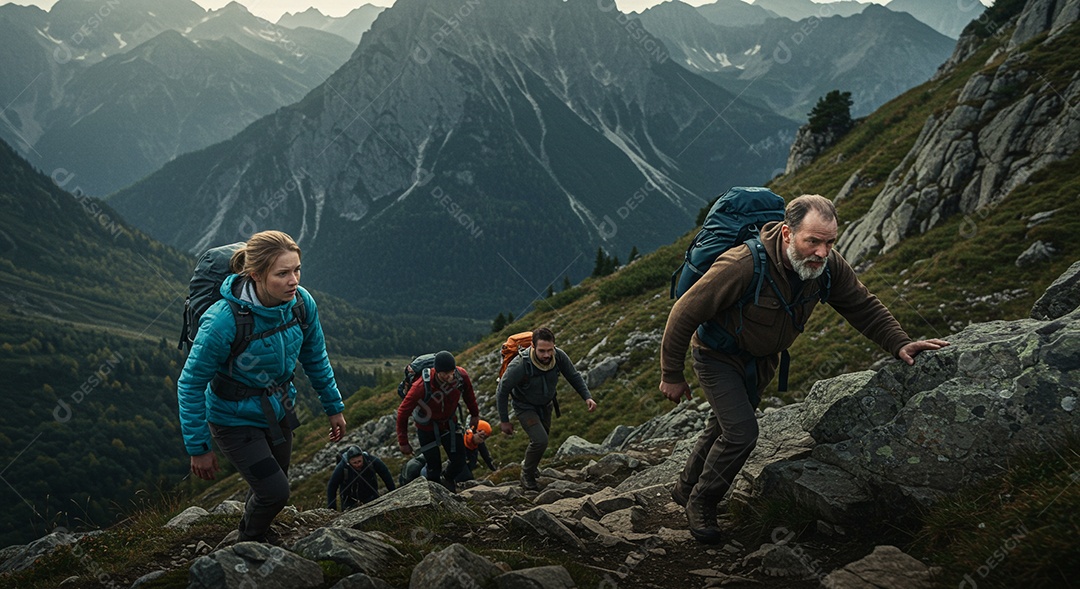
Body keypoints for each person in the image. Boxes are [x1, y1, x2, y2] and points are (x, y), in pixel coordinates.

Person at [659, 194, 949, 544]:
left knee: (724, 424)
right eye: (813, 241)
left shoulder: (827, 265)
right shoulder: (743, 264)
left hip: (763, 360)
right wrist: (671, 375)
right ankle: (703, 502)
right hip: (717, 355)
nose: (822, 252)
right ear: (787, 233)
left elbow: (861, 305)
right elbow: (684, 313)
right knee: (742, 433)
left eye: (830, 242)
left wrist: (899, 343)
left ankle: (685, 488)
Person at [178, 230, 347, 543]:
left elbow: (315, 357)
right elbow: (190, 384)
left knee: (271, 486)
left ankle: (256, 532)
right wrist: (199, 448)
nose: (293, 281)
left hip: (279, 408)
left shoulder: (300, 304)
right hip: (233, 419)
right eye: (282, 274)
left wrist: (334, 407)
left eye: (297, 270)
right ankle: (249, 542)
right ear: (255, 274)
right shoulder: (223, 321)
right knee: (275, 492)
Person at [497, 327, 598, 491]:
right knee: (540, 440)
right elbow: (502, 390)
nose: (546, 355)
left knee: (541, 441)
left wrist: (587, 397)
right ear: (533, 346)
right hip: (525, 407)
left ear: (554, 346)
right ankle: (527, 474)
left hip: (546, 405)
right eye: (542, 351)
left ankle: (530, 465)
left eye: (550, 350)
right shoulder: (520, 365)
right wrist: (504, 420)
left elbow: (573, 376)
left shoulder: (559, 356)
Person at [396, 350, 480, 492]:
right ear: (437, 371)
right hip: (426, 428)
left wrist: (474, 414)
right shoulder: (420, 386)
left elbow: (469, 394)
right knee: (434, 468)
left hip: (449, 424)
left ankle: (447, 480)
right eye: (445, 373)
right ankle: (438, 496)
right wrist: (403, 442)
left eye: (452, 372)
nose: (450, 376)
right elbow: (402, 412)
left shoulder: (460, 376)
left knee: (459, 461)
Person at [326, 445, 395, 510]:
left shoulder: (371, 460)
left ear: (362, 457)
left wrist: (393, 491)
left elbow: (385, 474)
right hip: (349, 503)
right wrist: (332, 509)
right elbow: (332, 486)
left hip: (372, 497)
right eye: (354, 463)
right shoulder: (342, 468)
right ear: (349, 461)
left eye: (359, 461)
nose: (358, 465)